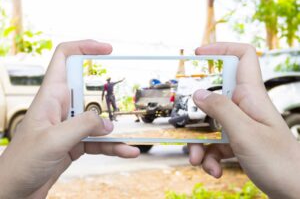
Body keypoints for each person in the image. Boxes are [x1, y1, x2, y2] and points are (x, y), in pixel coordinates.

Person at [0, 40, 299, 199]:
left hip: (113, 101)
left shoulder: (112, 85)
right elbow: (111, 90)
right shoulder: (106, 87)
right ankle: (109, 115)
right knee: (111, 108)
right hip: (111, 103)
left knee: (112, 107)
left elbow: (114, 86)